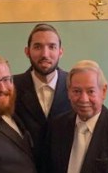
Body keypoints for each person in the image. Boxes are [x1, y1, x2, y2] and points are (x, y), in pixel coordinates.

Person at [12, 23, 71, 162]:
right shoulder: (10, 87)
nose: (45, 54)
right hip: (24, 169)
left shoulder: (75, 85)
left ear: (60, 52)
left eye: (52, 47)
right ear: (27, 51)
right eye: (38, 47)